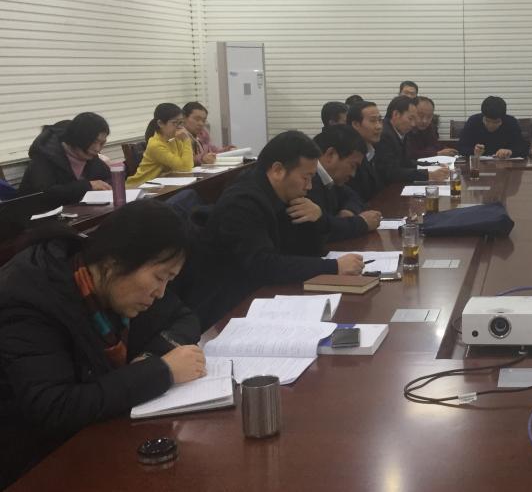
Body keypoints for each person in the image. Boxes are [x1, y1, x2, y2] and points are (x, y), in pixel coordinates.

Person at [0, 200, 203, 487]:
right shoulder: (29, 301)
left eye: (169, 280)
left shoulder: (111, 280)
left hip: (97, 437)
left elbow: (184, 318)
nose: (160, 292)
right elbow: (55, 408)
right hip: (36, 462)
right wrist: (162, 371)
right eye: (160, 277)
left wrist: (148, 358)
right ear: (114, 262)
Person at [183, 131, 364, 328]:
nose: (310, 186)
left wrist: (318, 220)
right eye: (306, 178)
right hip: (225, 310)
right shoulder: (242, 203)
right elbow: (264, 265)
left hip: (256, 294)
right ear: (278, 170)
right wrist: (333, 267)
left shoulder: (278, 193)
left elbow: (306, 248)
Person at [19, 112, 112, 204]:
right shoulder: (45, 156)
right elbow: (45, 194)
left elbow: (107, 179)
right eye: (93, 142)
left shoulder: (90, 156)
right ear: (78, 138)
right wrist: (87, 186)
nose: (97, 149)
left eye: (102, 143)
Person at [309, 125, 382, 242]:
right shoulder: (309, 182)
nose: (353, 174)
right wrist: (362, 223)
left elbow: (354, 197)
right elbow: (320, 231)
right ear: (331, 154)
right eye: (352, 166)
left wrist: (349, 211)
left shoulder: (330, 178)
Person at [377, 96, 450, 184]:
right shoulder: (384, 135)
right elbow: (391, 172)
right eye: (410, 118)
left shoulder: (398, 131)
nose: (413, 124)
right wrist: (428, 175)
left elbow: (406, 162)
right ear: (396, 114)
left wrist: (434, 164)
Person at [126, 103, 194, 186]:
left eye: (181, 122)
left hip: (160, 186)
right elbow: (185, 167)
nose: (180, 127)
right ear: (160, 123)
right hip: (140, 187)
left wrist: (185, 140)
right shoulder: (155, 145)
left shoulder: (176, 139)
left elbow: (186, 164)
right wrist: (186, 140)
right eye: (175, 122)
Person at [456, 96, 529, 158]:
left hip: (504, 165)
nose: (491, 125)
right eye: (487, 121)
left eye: (496, 122)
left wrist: (510, 151)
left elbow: (523, 148)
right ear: (483, 116)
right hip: (478, 165)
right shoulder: (473, 121)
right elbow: (461, 147)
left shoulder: (511, 122)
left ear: (502, 118)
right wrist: (473, 151)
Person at [344, 99, 385, 202]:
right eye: (373, 121)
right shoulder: (349, 154)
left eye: (380, 120)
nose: (379, 126)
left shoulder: (375, 148)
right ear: (356, 124)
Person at [406, 96, 458, 160]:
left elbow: (435, 146)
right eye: (421, 115)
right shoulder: (405, 128)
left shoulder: (431, 127)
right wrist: (436, 153)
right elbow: (410, 154)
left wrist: (446, 150)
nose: (425, 121)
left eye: (429, 116)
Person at [182, 101, 234, 166]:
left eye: (203, 120)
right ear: (184, 118)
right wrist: (202, 159)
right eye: (197, 119)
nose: (201, 123)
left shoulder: (202, 135)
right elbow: (183, 160)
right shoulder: (179, 136)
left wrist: (228, 150)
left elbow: (213, 151)